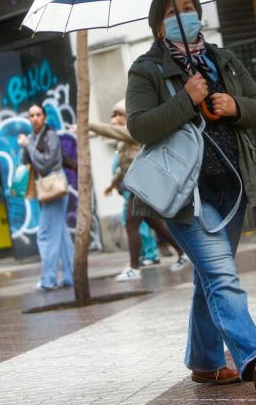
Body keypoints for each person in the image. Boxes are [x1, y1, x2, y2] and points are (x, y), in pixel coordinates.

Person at [126, 0, 256, 392]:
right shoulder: (147, 69)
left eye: (189, 7)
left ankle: (205, 362)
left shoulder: (223, 60)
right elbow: (139, 126)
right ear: (158, 26)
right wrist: (185, 98)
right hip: (186, 196)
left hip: (233, 188)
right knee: (221, 274)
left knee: (209, 276)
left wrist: (234, 106)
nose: (184, 15)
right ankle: (254, 354)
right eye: (172, 12)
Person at [86, 99, 189, 281]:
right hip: (137, 184)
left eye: (120, 114)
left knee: (131, 225)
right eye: (114, 115)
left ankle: (134, 268)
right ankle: (183, 252)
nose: (116, 118)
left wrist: (88, 125)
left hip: (142, 184)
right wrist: (112, 184)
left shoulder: (134, 132)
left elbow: (110, 131)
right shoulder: (122, 140)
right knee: (155, 223)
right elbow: (126, 166)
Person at [19, 104, 74, 290]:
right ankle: (70, 276)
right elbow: (26, 164)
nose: (35, 118)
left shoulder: (50, 135)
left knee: (45, 234)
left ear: (44, 117)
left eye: (38, 114)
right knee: (61, 234)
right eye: (31, 115)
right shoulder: (31, 138)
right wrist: (24, 147)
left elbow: (45, 163)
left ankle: (48, 280)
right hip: (45, 187)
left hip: (54, 185)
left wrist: (28, 146)